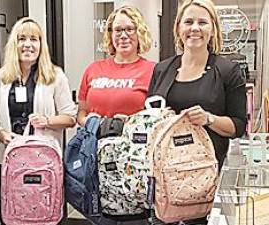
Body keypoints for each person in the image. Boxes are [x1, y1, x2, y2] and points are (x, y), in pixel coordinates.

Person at [148, 0, 247, 224]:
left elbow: (238, 126)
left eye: (202, 22)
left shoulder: (227, 71)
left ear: (212, 29)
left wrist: (209, 119)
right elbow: (151, 117)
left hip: (205, 179)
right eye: (188, 22)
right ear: (178, 28)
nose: (195, 28)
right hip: (167, 181)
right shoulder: (162, 69)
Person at [0, 17, 77, 223]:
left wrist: (47, 121)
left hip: (44, 164)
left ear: (41, 45)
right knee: (13, 216)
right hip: (10, 163)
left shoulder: (55, 76)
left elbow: (70, 117)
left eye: (34, 39)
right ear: (14, 44)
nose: (28, 44)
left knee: (46, 217)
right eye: (22, 39)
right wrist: (0, 134)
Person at [77, 5, 155, 225]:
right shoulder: (94, 69)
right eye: (117, 30)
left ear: (139, 33)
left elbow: (157, 119)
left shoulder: (152, 71)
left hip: (133, 164)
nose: (123, 35)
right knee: (98, 216)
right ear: (110, 35)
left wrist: (128, 124)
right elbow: (81, 113)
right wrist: (93, 123)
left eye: (130, 29)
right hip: (95, 159)